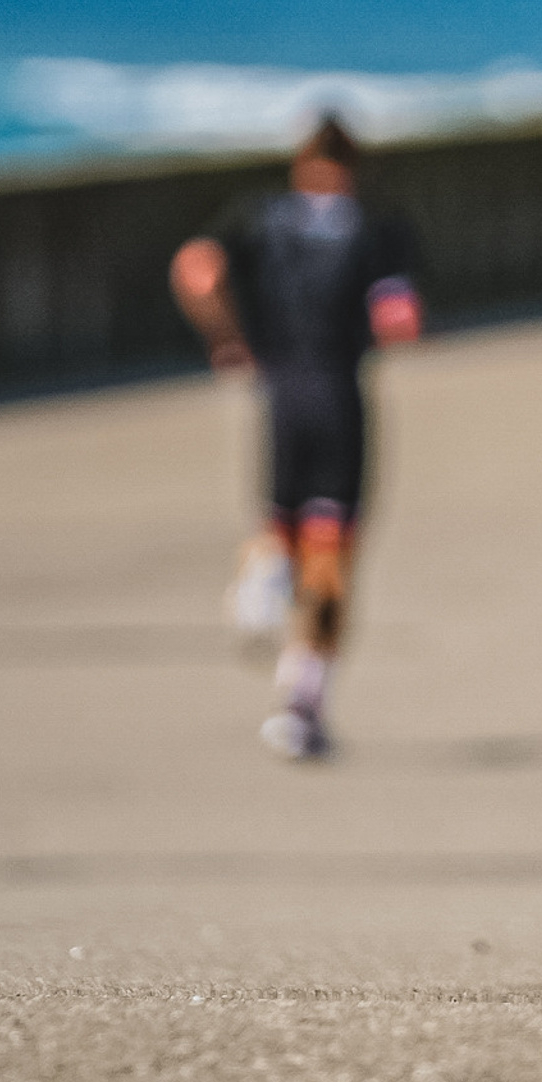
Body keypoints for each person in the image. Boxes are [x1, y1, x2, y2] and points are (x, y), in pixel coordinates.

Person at [170, 115, 421, 758]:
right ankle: (302, 703)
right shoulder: (374, 228)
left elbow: (195, 269)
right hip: (338, 396)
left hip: (281, 395)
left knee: (279, 521)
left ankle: (265, 577)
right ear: (355, 166)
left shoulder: (263, 218)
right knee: (336, 551)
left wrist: (226, 339)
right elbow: (399, 316)